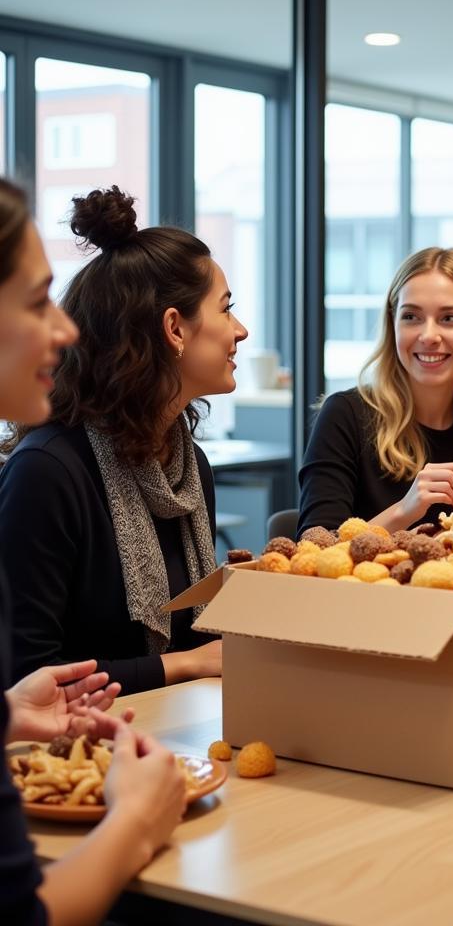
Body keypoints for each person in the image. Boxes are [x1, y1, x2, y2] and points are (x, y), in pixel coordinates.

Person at [0, 177, 187, 926]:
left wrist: (7, 716)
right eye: (37, 299)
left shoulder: (182, 464)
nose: (65, 328)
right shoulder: (47, 470)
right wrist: (136, 823)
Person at [0, 185, 248, 694]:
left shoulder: (187, 465)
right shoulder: (47, 473)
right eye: (226, 309)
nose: (240, 330)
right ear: (175, 329)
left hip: (178, 733)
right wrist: (184, 664)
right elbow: (26, 678)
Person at [299, 247, 453, 535]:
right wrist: (405, 510)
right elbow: (312, 551)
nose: (428, 336)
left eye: (449, 318)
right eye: (411, 317)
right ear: (393, 324)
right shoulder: (344, 415)